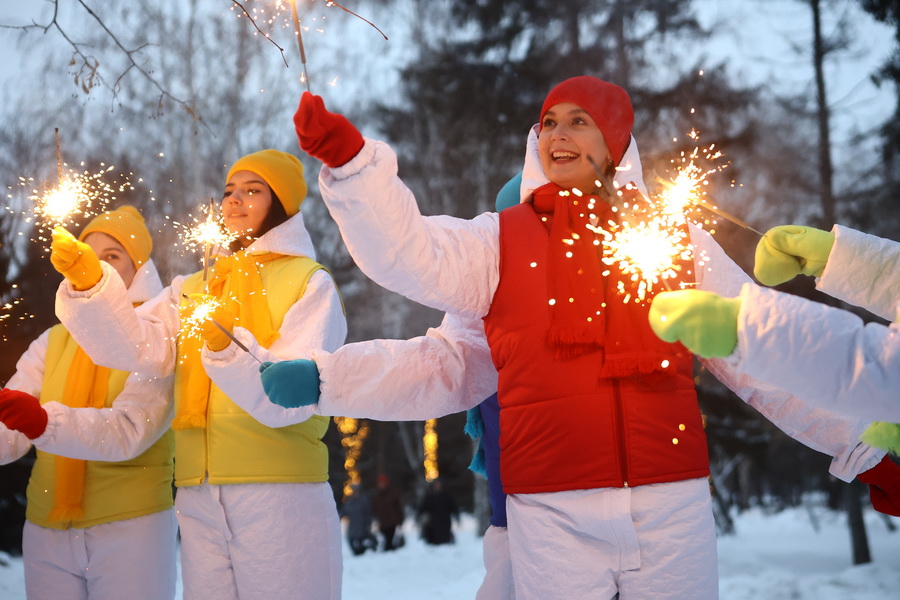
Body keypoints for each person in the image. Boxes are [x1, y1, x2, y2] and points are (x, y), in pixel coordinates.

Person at [288, 75, 889, 599]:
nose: (559, 134)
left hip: (670, 503)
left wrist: (867, 451)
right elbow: (410, 255)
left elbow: (761, 352)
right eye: (548, 123)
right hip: (551, 509)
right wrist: (354, 166)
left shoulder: (673, 240)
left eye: (580, 121)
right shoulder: (498, 241)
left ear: (617, 142)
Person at [52, 150, 346, 599]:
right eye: (229, 191)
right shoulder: (192, 288)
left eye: (253, 190)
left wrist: (223, 344)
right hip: (197, 495)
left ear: (282, 203)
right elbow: (133, 345)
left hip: (280, 492)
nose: (234, 201)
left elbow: (289, 397)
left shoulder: (310, 282)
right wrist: (91, 284)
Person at [649, 223, 900, 515]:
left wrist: (747, 330)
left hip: (666, 495)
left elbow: (876, 368)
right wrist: (845, 258)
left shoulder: (671, 237)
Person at [0, 206, 176, 599]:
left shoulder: (158, 340)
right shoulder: (52, 341)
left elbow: (130, 431)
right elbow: (8, 435)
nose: (96, 265)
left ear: (139, 270)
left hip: (133, 525)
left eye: (112, 257)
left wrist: (44, 423)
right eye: (88, 254)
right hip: (46, 529)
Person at [416, 478, 459, 545]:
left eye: (439, 484)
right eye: (436, 484)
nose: (437, 486)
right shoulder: (429, 496)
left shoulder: (447, 496)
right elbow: (423, 507)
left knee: (444, 536)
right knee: (433, 536)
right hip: (433, 520)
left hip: (445, 519)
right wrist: (418, 516)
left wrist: (457, 516)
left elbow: (453, 507)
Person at [371, 474, 405, 552]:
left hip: (392, 523)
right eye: (380, 483)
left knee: (391, 542)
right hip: (382, 523)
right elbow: (374, 509)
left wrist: (400, 520)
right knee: (384, 541)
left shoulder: (393, 494)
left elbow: (398, 508)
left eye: (382, 483)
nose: (381, 485)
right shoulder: (376, 496)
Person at [342, 483, 377, 556]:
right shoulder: (349, 501)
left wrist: (368, 524)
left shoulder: (363, 500)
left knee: (362, 543)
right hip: (352, 527)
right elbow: (344, 512)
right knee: (351, 541)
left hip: (362, 527)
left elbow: (368, 513)